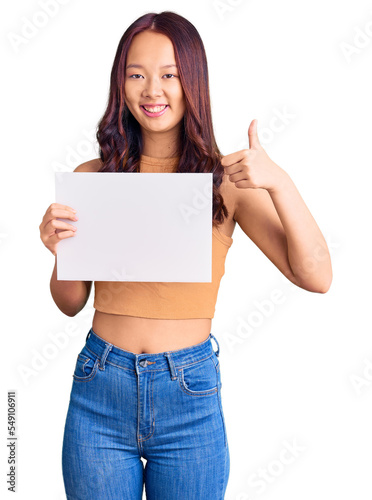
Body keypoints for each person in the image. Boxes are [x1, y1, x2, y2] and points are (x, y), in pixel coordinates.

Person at [39, 11, 332, 500]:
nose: (152, 90)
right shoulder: (93, 176)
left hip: (189, 397)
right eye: (137, 75)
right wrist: (58, 251)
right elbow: (70, 303)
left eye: (169, 75)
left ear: (192, 80)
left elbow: (317, 275)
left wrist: (279, 181)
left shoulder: (226, 181)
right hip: (99, 391)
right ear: (121, 84)